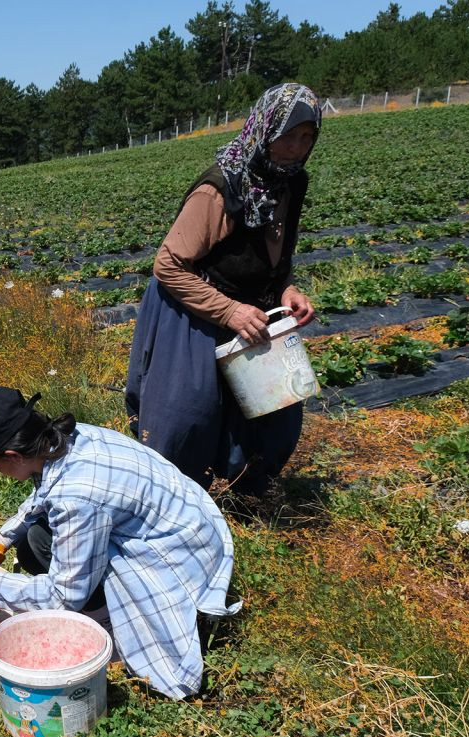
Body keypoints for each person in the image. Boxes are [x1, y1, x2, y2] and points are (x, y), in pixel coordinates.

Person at [0, 387, 239, 700]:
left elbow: (62, 596)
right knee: (34, 541)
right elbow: (45, 493)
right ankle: (103, 605)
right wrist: (3, 537)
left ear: (13, 456)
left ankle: (110, 625)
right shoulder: (66, 437)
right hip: (193, 520)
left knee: (57, 568)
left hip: (175, 553)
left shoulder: (77, 497)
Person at [125, 83, 321, 497]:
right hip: (193, 308)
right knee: (187, 418)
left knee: (276, 408)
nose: (296, 148)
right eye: (288, 135)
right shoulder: (221, 189)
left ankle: (245, 488)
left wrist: (286, 289)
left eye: (307, 138)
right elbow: (169, 266)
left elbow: (270, 257)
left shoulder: (290, 183)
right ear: (264, 129)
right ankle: (174, 501)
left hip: (251, 312)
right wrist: (229, 311)